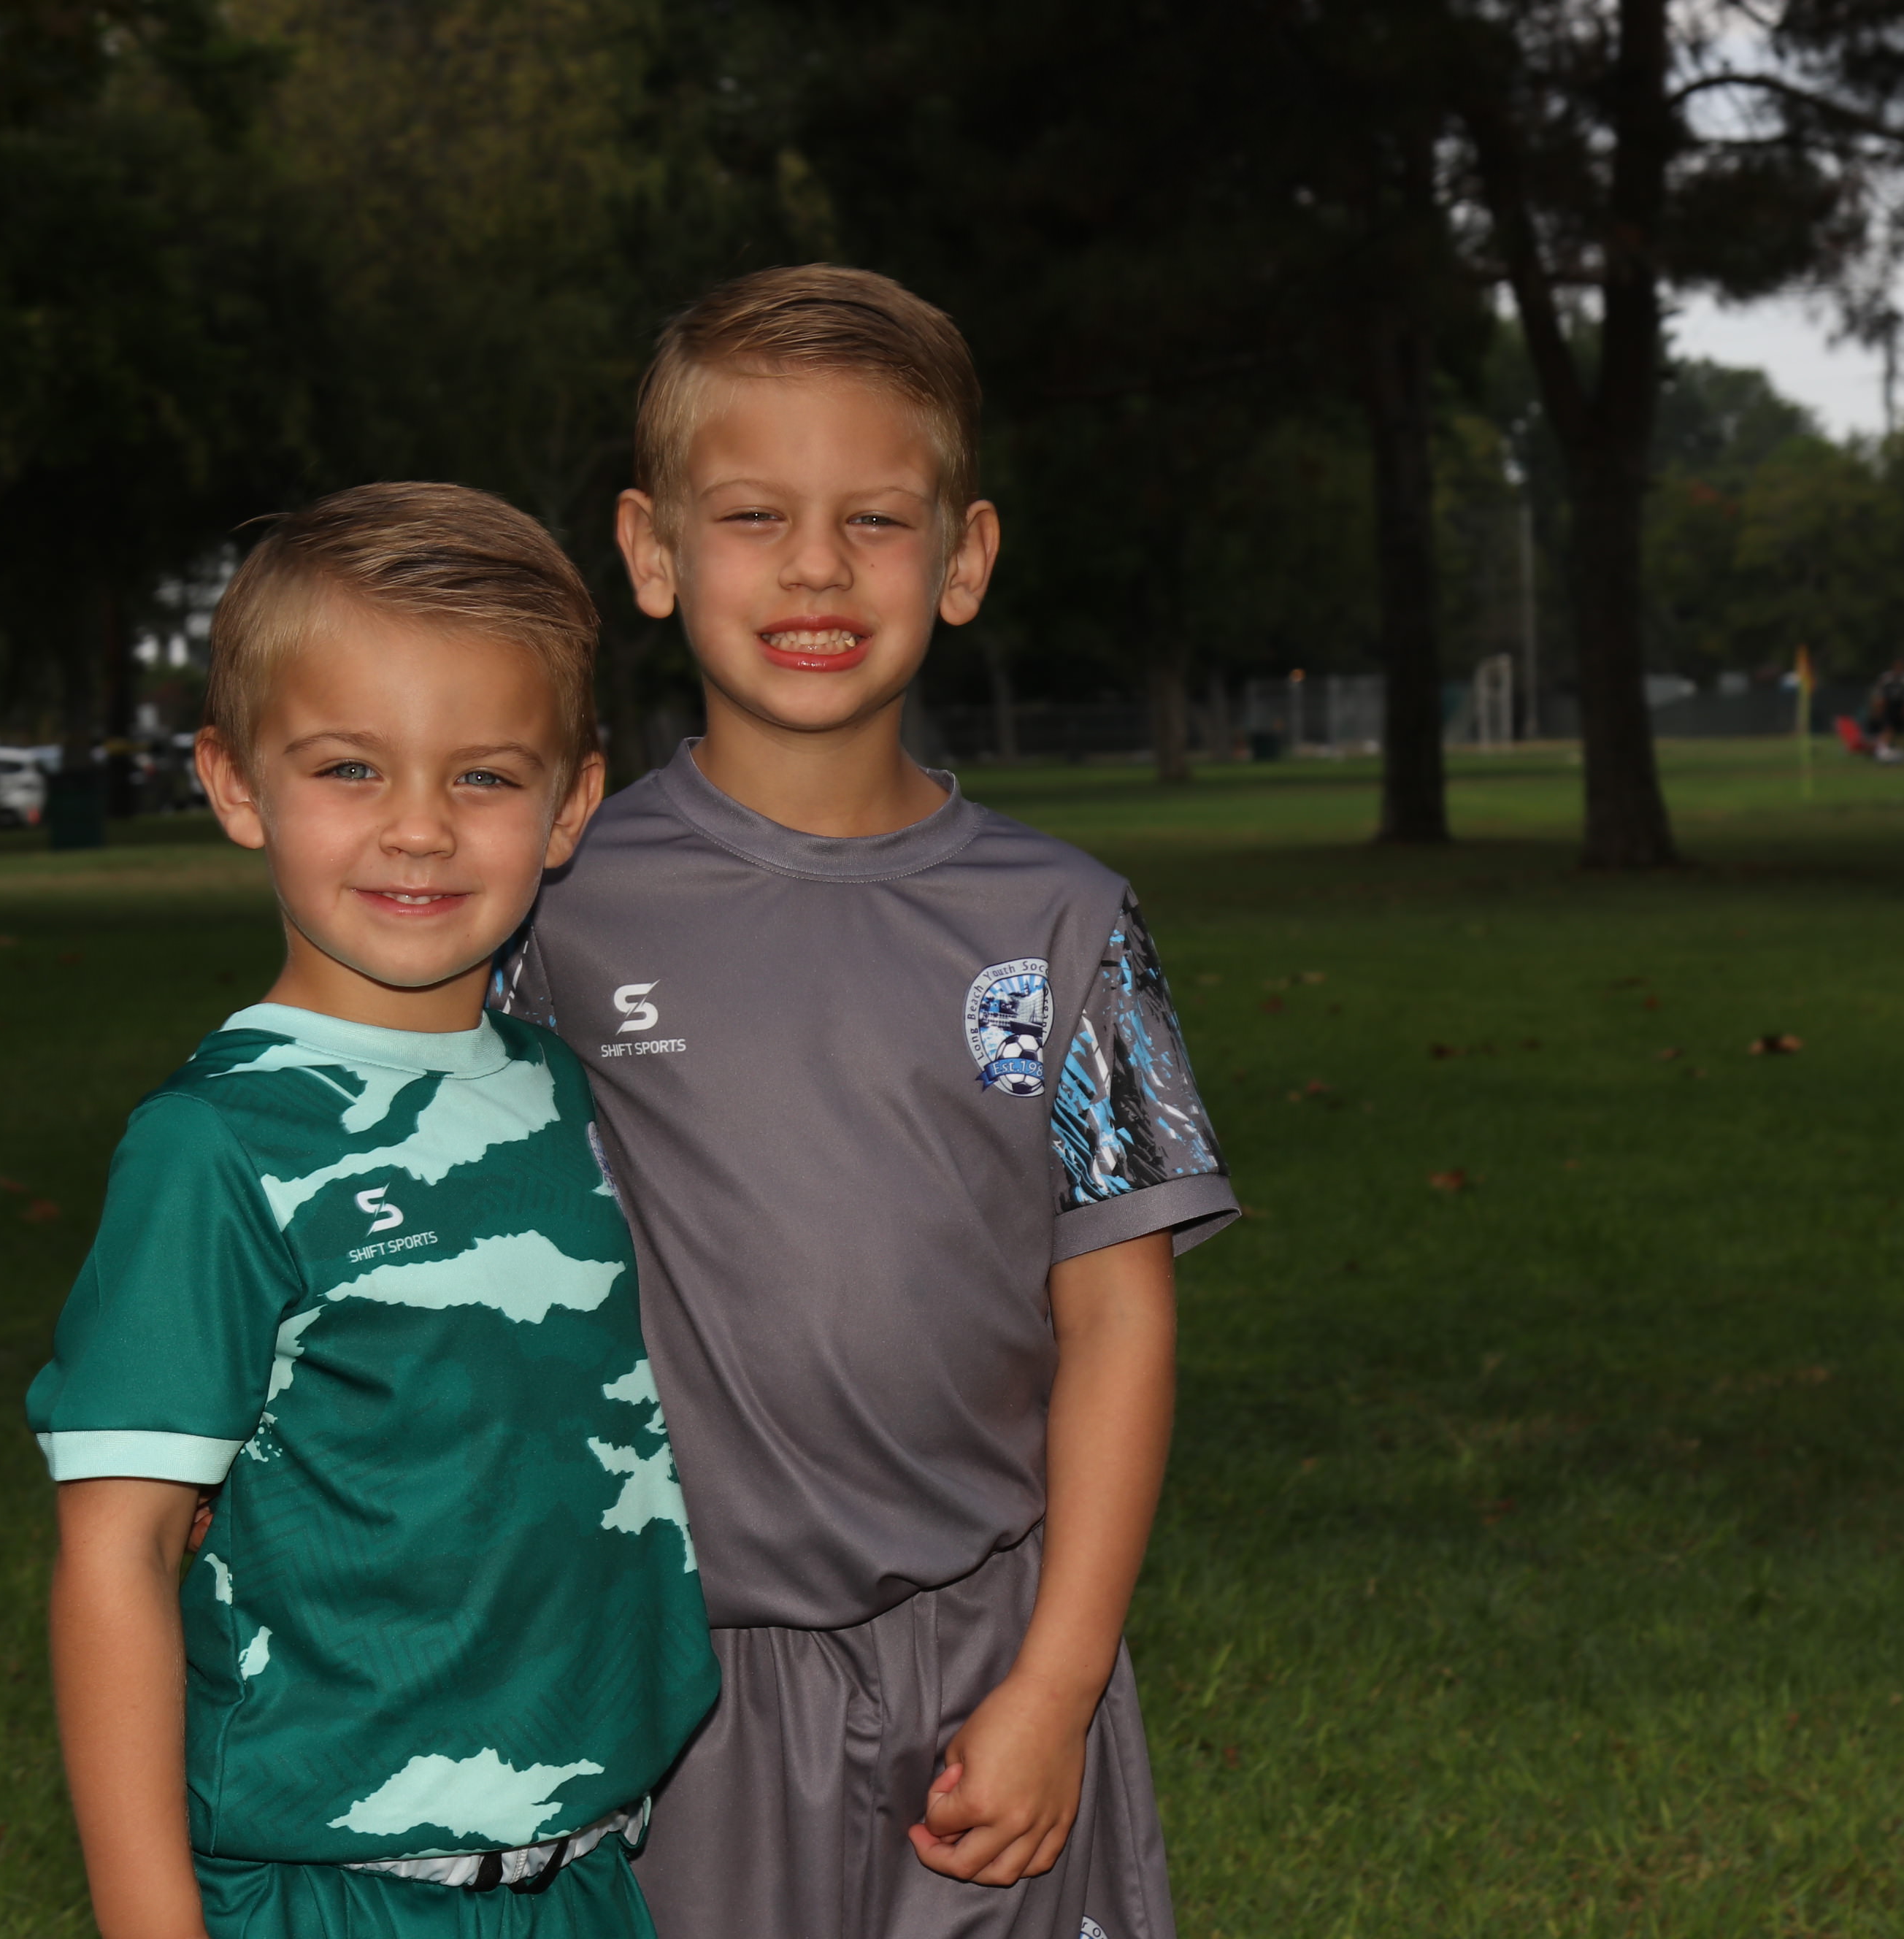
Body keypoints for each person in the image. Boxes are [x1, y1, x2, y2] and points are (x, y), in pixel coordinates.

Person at [496, 265, 1238, 1939]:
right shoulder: (553, 901)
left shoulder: (1065, 923)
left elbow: (1120, 1320)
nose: (817, 566)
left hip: (987, 1665)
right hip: (660, 1678)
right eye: (754, 514)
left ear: (963, 558)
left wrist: (1058, 1680)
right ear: (652, 551)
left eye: (876, 519)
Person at [29, 484, 719, 1939]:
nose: (418, 829)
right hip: (332, 1895)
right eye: (350, 767)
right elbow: (118, 1553)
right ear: (235, 784)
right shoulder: (219, 1145)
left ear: (571, 804)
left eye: (484, 776)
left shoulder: (569, 1094)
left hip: (587, 1882)